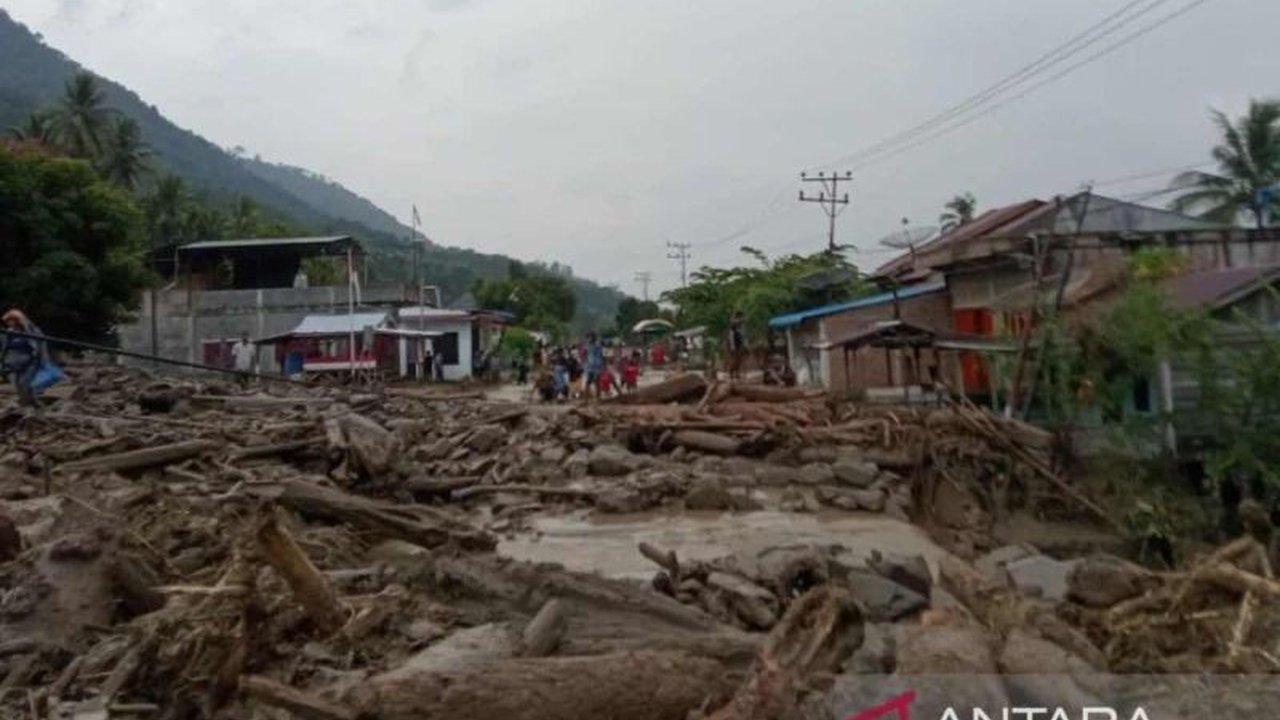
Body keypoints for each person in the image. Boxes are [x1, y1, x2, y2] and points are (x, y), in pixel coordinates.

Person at [1, 310, 48, 408]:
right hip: (13, 364)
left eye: (11, 320)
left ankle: (26, 407)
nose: (9, 323)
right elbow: (5, 347)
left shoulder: (33, 331)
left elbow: (41, 346)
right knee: (18, 387)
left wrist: (44, 361)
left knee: (24, 384)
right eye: (8, 321)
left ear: (18, 320)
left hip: (30, 363)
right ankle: (34, 405)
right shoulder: (8, 333)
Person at [728, 312, 746, 380]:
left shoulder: (740, 327)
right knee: (734, 360)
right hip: (734, 345)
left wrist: (744, 344)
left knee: (739, 360)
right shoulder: (733, 327)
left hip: (739, 345)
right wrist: (732, 346)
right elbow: (731, 336)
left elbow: (742, 336)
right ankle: (731, 373)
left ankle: (737, 373)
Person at [585, 332, 604, 397]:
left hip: (596, 366)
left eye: (589, 337)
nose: (587, 339)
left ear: (592, 338)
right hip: (591, 366)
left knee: (596, 381)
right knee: (590, 381)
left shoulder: (597, 345)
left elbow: (600, 355)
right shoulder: (589, 346)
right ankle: (588, 396)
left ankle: (597, 395)